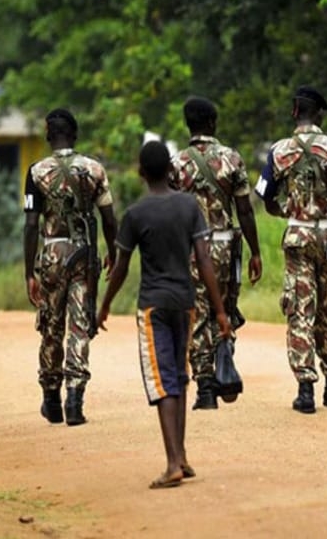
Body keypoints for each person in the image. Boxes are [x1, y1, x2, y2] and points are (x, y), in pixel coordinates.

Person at [97, 140, 231, 489]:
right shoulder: (188, 206)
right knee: (180, 378)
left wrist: (105, 305)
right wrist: (219, 311)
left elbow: (121, 267)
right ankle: (182, 457)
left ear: (140, 173)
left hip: (153, 306)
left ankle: (172, 462)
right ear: (171, 170)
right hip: (185, 303)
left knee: (163, 382)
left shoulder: (136, 215)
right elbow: (204, 261)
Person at [255, 86, 327, 414]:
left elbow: (264, 194)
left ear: (294, 112)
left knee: (301, 308)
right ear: (319, 114)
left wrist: (287, 210)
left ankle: (304, 390)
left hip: (298, 237)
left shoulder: (280, 151)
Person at [23, 108, 118, 426]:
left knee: (51, 326)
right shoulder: (94, 169)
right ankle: (75, 400)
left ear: (49, 135)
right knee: (79, 327)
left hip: (50, 255)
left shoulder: (36, 172)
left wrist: (28, 273)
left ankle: (51, 398)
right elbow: (109, 218)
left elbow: (31, 224)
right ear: (75, 135)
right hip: (83, 255)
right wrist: (114, 254)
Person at [170, 96, 263, 410]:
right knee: (224, 307)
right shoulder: (231, 158)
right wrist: (255, 252)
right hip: (225, 246)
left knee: (196, 314)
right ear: (212, 123)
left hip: (190, 249)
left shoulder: (177, 163)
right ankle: (224, 359)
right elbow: (245, 210)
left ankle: (205, 387)